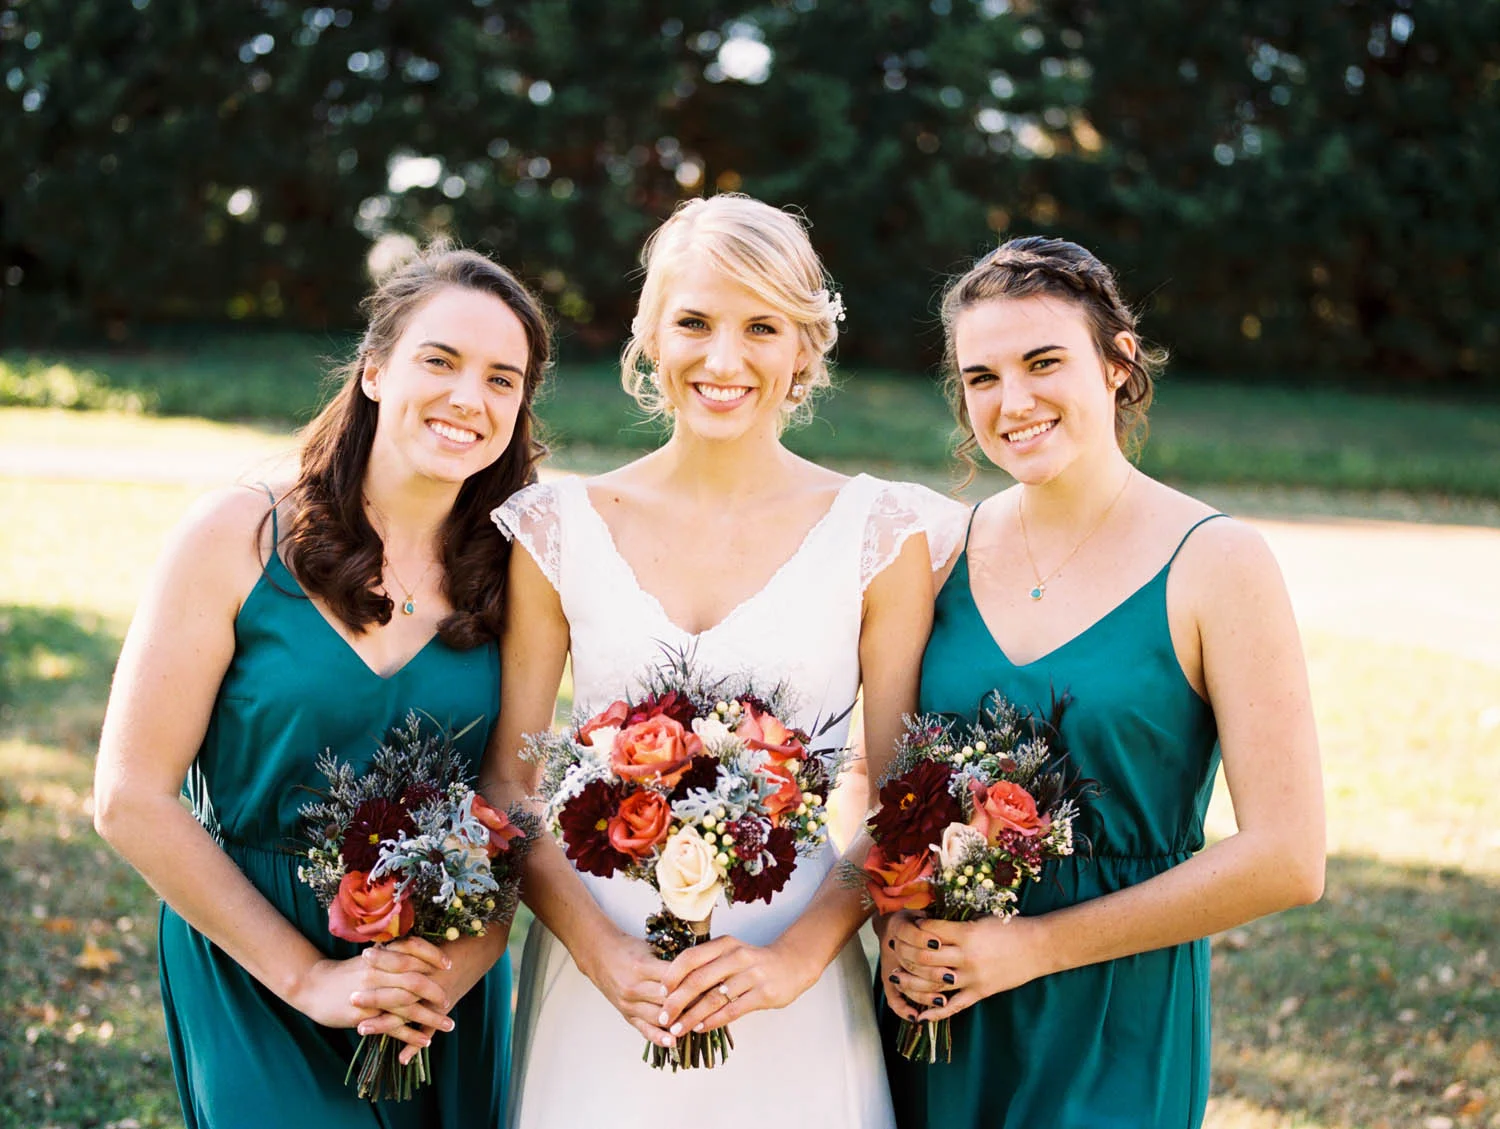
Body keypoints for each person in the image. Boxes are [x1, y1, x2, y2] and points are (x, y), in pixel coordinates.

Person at [487, 194, 965, 1129]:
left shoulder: (879, 534)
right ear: (650, 336)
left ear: (804, 348)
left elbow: (901, 796)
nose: (724, 359)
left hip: (790, 978)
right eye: (695, 322)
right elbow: (511, 785)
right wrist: (596, 953)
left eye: (761, 327)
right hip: (603, 982)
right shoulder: (558, 529)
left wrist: (794, 959)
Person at [93, 243, 551, 1129]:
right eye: (441, 360)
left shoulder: (518, 572)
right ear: (376, 369)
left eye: (504, 379)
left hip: (430, 981)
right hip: (252, 960)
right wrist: (311, 978)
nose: (471, 398)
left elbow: (508, 800)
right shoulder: (238, 533)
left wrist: (450, 968)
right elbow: (130, 796)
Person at [878, 236, 1326, 1128]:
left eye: (1044, 362)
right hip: (939, 1008)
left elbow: (1287, 856)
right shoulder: (938, 554)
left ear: (1119, 364)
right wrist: (891, 919)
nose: (1013, 402)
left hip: (1117, 1011)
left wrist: (1035, 946)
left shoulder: (1218, 561)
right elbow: (887, 783)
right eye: (982, 377)